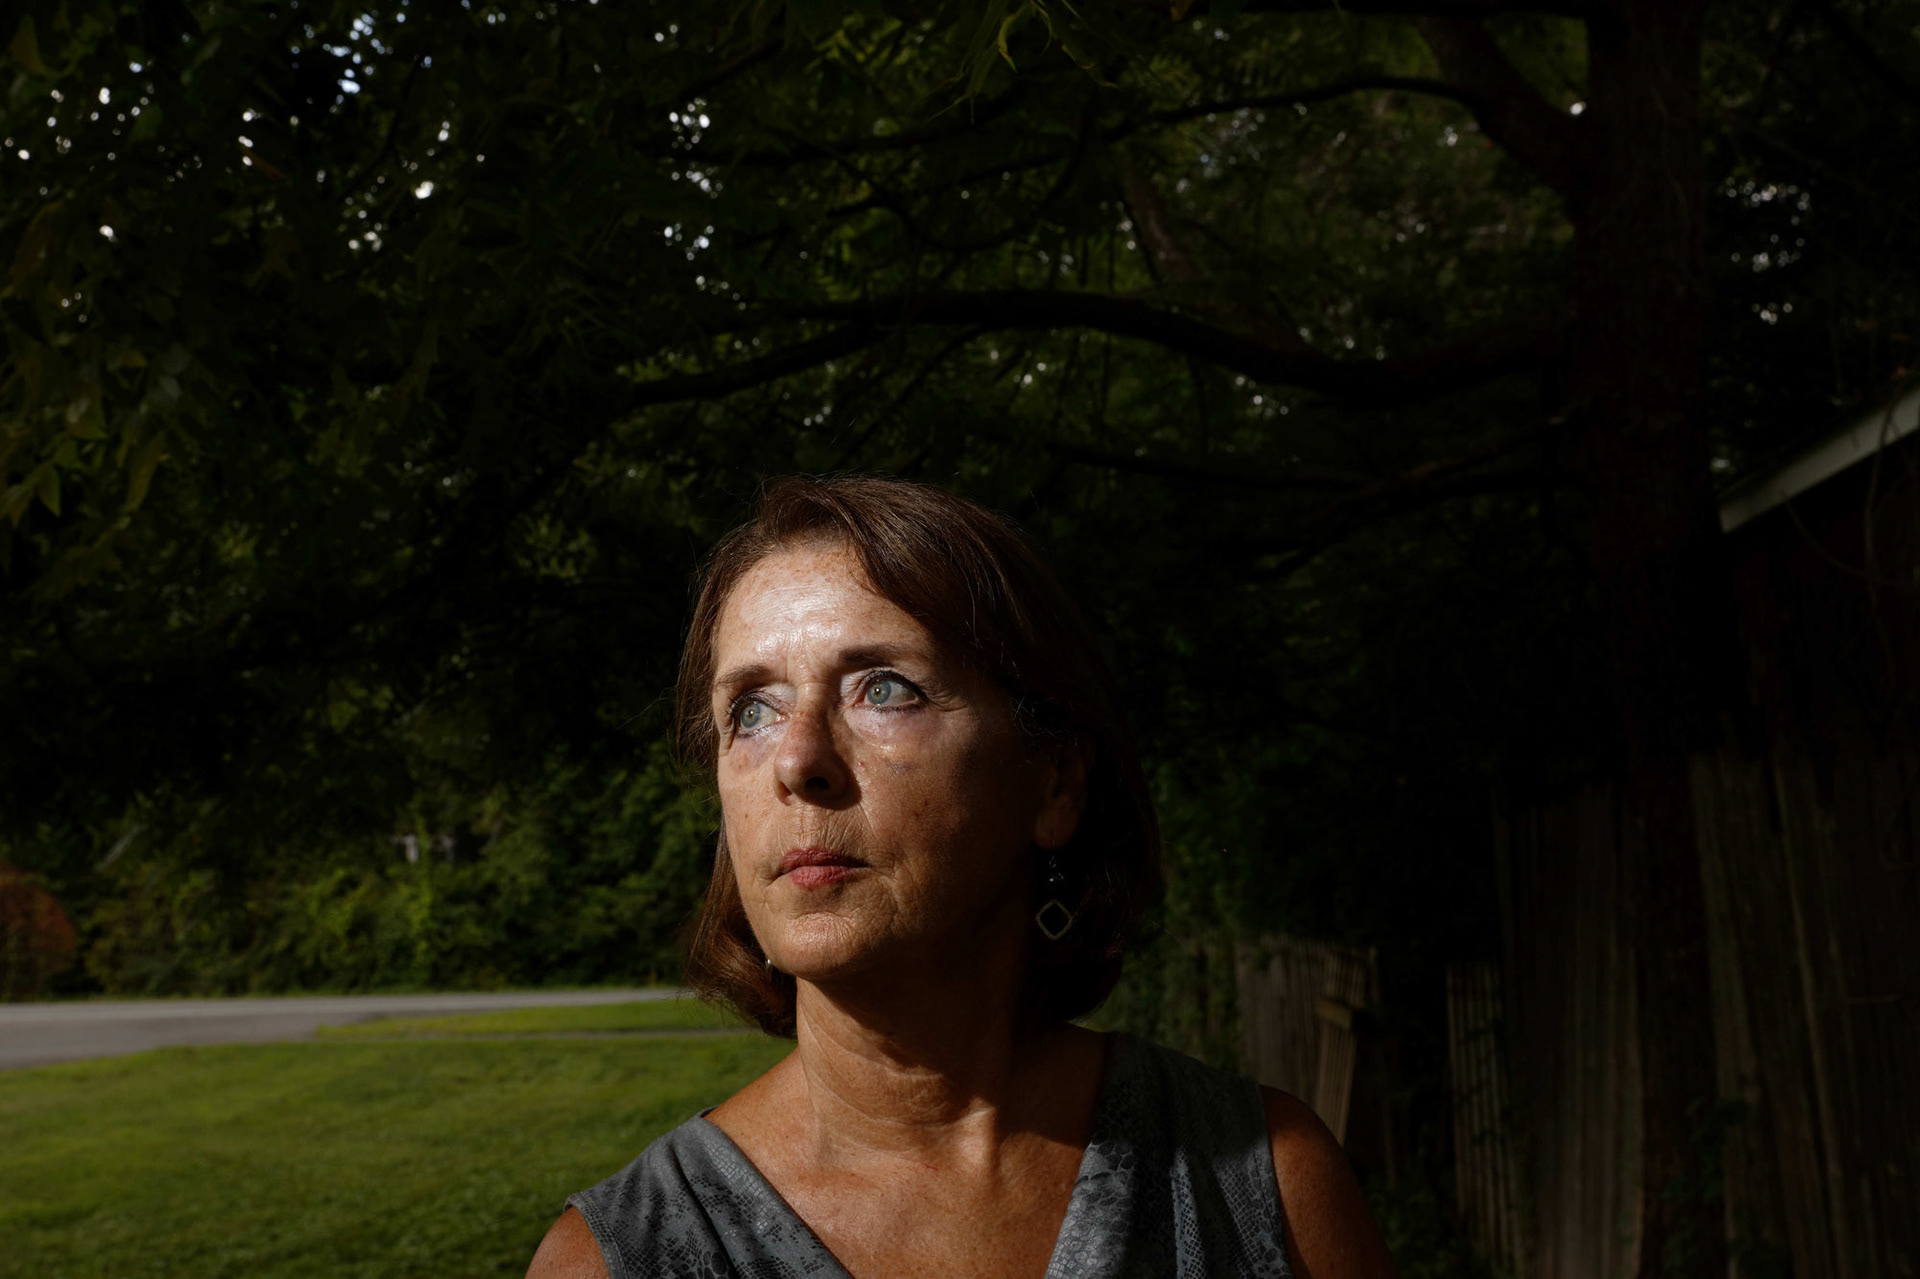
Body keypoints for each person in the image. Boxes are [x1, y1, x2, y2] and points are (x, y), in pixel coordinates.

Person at [527, 476, 1398, 1279]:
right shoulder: (613, 1260)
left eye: (884, 688)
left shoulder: (1265, 1189)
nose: (797, 760)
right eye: (750, 710)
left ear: (1052, 781)